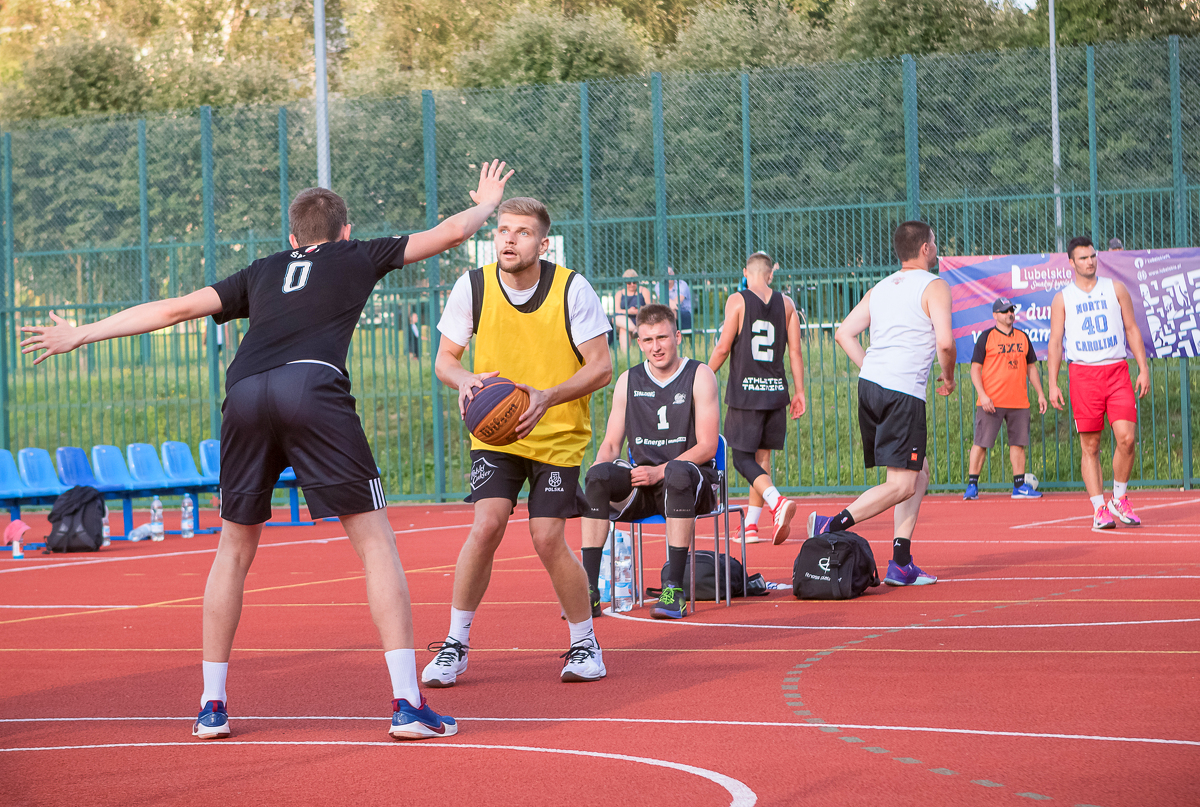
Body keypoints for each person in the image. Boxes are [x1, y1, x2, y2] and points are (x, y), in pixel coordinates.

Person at [18, 160, 518, 740]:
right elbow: (451, 233)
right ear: (345, 231)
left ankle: (211, 706)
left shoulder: (263, 270)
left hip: (245, 392)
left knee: (233, 549)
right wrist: (487, 203)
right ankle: (407, 704)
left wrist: (81, 333)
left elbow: (174, 309)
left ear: (292, 237)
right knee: (375, 542)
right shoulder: (356, 255)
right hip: (311, 386)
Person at [426, 196, 613, 687]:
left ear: (543, 244)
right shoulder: (473, 286)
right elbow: (444, 359)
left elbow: (602, 368)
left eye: (523, 232)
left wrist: (548, 397)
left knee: (547, 537)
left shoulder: (572, 289)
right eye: (504, 230)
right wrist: (464, 380)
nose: (509, 239)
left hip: (557, 434)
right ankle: (455, 645)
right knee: (486, 525)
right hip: (497, 433)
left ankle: (585, 643)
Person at [807, 221, 956, 586]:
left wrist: (873, 369)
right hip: (902, 391)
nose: (936, 248)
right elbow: (946, 343)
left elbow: (843, 333)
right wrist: (949, 377)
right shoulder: (934, 286)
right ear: (925, 248)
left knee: (918, 473)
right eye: (934, 242)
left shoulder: (881, 287)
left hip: (871, 386)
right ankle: (831, 524)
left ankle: (901, 563)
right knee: (903, 484)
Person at [580, 304, 720, 619]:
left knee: (677, 472)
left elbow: (708, 446)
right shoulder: (628, 380)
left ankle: (674, 590)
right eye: (647, 340)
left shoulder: (699, 375)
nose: (656, 347)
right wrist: (597, 473)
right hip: (643, 485)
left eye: (662, 338)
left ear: (677, 337)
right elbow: (611, 444)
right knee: (598, 477)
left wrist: (660, 471)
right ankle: (588, 591)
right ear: (639, 342)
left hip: (691, 484)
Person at [1048, 236, 1149, 530]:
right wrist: (1052, 383)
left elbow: (1132, 329)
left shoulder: (1115, 288)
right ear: (1071, 263)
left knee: (1126, 439)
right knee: (1091, 446)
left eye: (1092, 256)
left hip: (1116, 371)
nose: (1090, 261)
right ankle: (1098, 508)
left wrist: (1143, 368)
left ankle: (1119, 497)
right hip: (1083, 375)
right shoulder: (1063, 298)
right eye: (1083, 258)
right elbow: (1055, 343)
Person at [707, 251, 806, 545]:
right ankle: (750, 526)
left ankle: (776, 502)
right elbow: (795, 352)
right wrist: (799, 391)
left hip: (746, 394)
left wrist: (702, 374)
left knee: (740, 458)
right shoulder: (787, 304)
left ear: (745, 273)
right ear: (771, 274)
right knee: (761, 460)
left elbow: (723, 347)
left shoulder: (737, 300)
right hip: (776, 394)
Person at [964, 296, 1048, 500]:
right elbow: (975, 370)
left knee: (1018, 444)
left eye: (1011, 310)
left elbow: (1031, 368)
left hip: (1018, 401)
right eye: (1005, 311)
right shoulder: (986, 337)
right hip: (991, 402)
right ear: (995, 315)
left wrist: (1040, 393)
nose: (1010, 314)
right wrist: (983, 395)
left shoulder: (1023, 337)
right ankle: (972, 485)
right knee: (981, 443)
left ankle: (1019, 486)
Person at [613, 269, 649, 350]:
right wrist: (629, 311)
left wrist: (640, 309)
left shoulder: (643, 291)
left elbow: (650, 307)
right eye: (629, 283)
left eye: (634, 282)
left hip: (640, 318)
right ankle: (635, 330)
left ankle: (627, 355)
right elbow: (617, 310)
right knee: (618, 321)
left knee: (624, 329)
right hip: (625, 320)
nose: (632, 285)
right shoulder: (619, 294)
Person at [664, 266, 693, 332]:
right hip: (668, 311)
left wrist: (668, 302)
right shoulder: (659, 285)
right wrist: (670, 303)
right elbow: (661, 299)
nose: (668, 276)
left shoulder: (682, 284)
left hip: (685, 312)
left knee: (672, 312)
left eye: (669, 273)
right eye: (665, 274)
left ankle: (669, 332)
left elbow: (677, 301)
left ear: (673, 273)